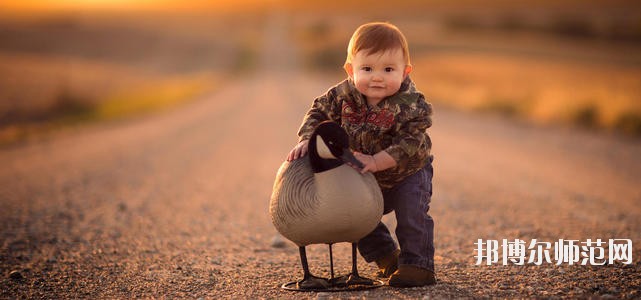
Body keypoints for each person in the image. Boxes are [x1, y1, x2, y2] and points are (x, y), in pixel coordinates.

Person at [287, 22, 435, 287]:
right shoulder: (341, 95)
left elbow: (412, 141)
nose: (377, 77)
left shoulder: (411, 103)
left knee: (411, 215)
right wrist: (308, 137)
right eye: (367, 69)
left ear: (405, 72)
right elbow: (317, 113)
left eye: (388, 69)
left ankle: (418, 264)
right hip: (363, 173)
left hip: (407, 174)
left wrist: (378, 161)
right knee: (357, 216)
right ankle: (387, 257)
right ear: (350, 69)